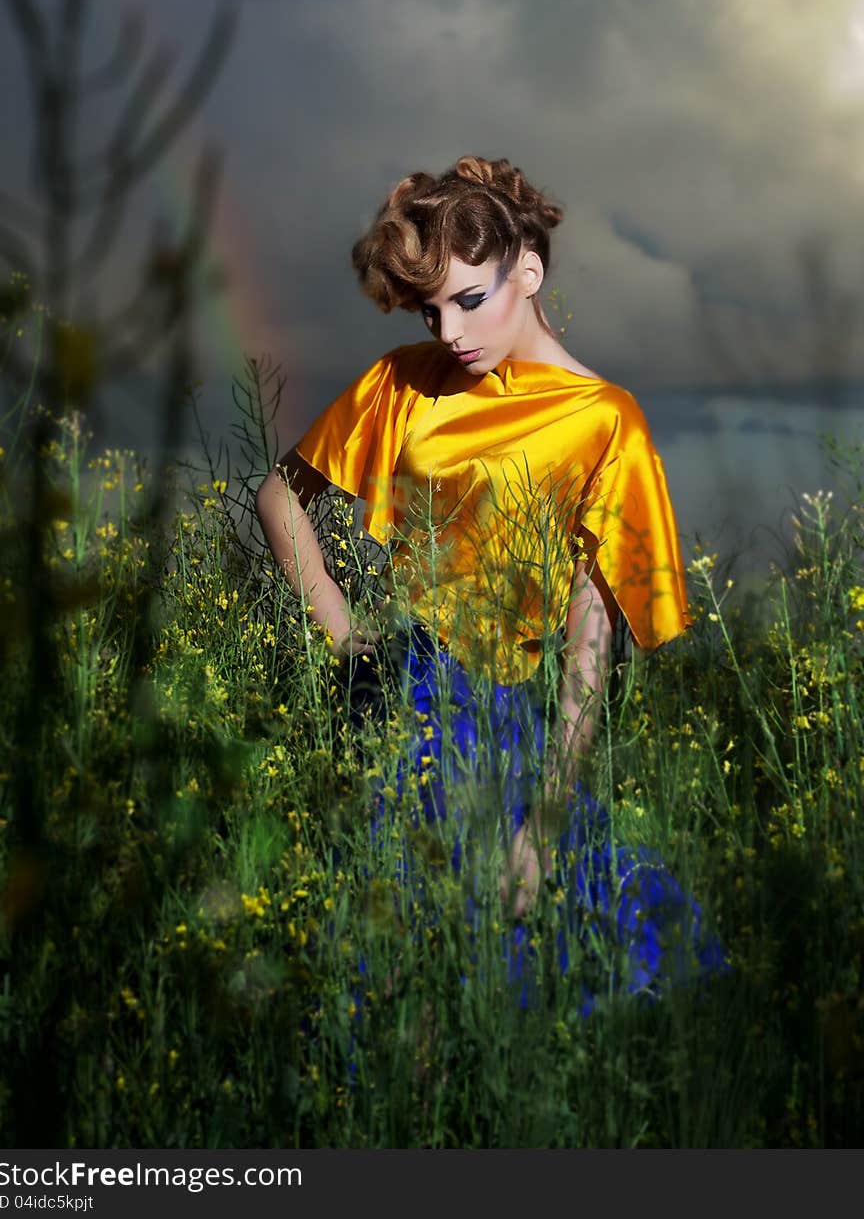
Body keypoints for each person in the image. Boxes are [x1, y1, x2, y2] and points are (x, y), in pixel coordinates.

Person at [255, 155, 725, 1014]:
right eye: (432, 309)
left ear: (530, 270)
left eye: (470, 300)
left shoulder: (603, 419)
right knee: (394, 961)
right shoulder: (404, 380)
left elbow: (592, 639)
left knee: (563, 946)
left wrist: (546, 820)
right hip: (399, 693)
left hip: (520, 714)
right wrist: (340, 625)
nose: (450, 332)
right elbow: (278, 495)